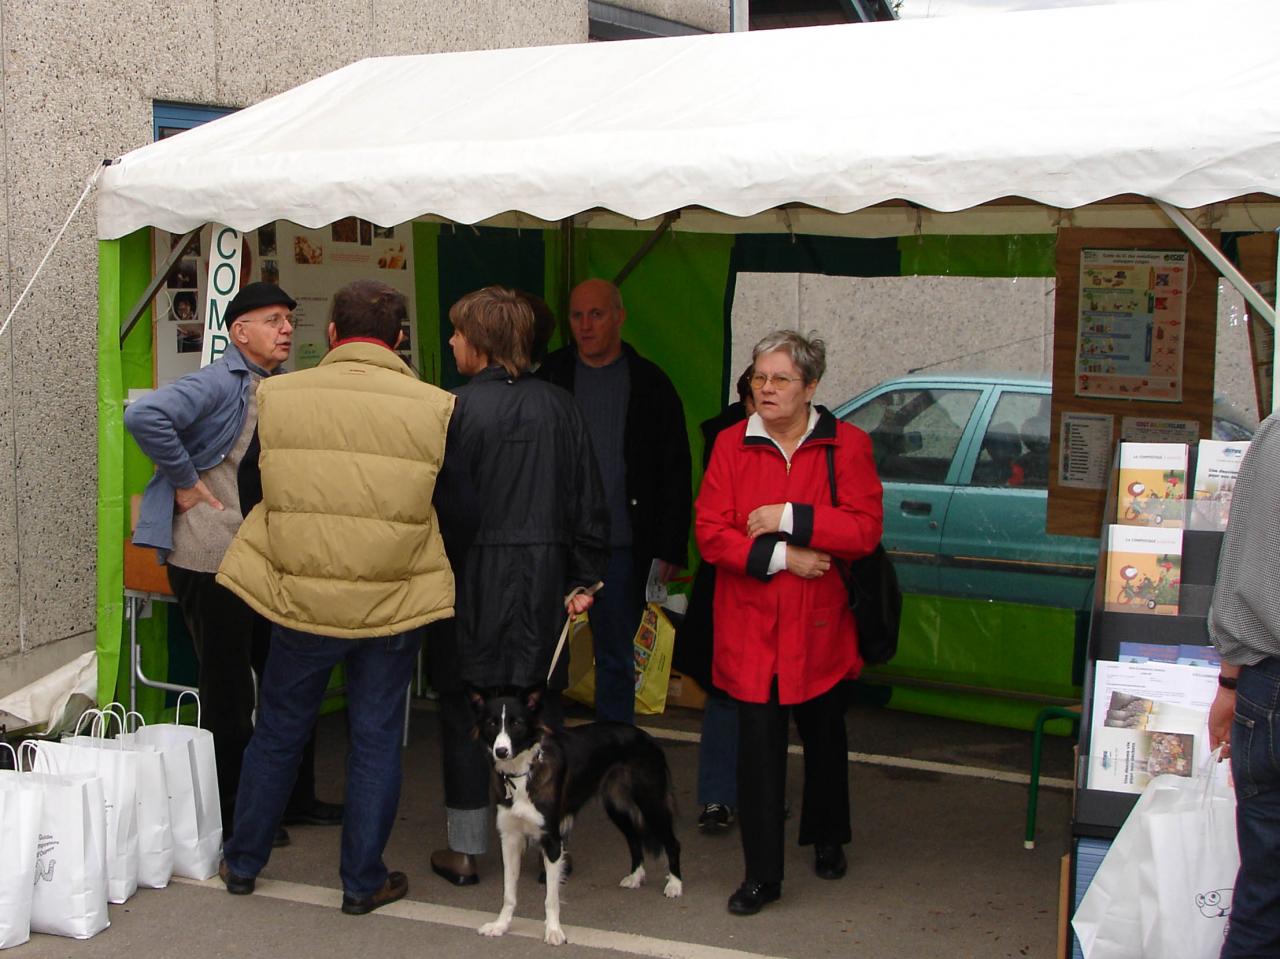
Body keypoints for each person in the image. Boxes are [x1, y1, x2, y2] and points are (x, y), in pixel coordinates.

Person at [214, 279, 456, 915]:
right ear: (400, 339)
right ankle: (361, 881)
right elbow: (445, 500)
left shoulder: (281, 393)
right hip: (390, 597)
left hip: (303, 592)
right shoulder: (433, 404)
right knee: (375, 738)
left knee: (278, 731)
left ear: (330, 334)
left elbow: (251, 483)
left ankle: (242, 863)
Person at [124, 281, 341, 842]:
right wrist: (186, 481)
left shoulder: (281, 385)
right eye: (273, 320)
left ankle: (293, 799)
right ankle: (240, 814)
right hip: (211, 556)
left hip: (268, 555)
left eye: (289, 319)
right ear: (239, 332)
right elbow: (145, 417)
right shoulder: (220, 381)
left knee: (286, 678)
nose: (287, 328)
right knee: (229, 690)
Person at [695, 330, 883, 916]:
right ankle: (762, 876)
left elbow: (863, 531)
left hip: (820, 627)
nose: (766, 387)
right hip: (750, 627)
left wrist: (789, 517)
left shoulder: (847, 445)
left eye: (780, 378)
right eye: (759, 377)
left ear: (811, 387)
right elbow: (710, 533)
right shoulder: (730, 443)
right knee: (758, 756)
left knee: (825, 739)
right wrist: (783, 555)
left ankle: (828, 837)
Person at [428, 285, 610, 887]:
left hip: (466, 580)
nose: (451, 341)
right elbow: (589, 500)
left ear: (479, 343)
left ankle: (465, 850)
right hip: (544, 582)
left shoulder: (450, 410)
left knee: (465, 713)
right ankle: (547, 845)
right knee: (541, 712)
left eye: (457, 332)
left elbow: (435, 509)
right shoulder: (562, 407)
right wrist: (584, 577)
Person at [536, 278, 692, 724]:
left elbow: (675, 472)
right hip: (557, 544)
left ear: (619, 317)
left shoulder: (651, 385)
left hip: (622, 548)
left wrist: (670, 548)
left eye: (596, 314)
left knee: (617, 661)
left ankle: (613, 756)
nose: (585, 326)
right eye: (577, 316)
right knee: (547, 658)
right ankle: (546, 757)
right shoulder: (550, 376)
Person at [1207, 411, 1280, 958]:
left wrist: (1229, 683)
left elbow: (1236, 568)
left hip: (1265, 684)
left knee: (1261, 897)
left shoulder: (1276, 432)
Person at [675, 365, 754, 832]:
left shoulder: (811, 438)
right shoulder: (725, 436)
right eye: (753, 391)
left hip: (778, 581)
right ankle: (718, 796)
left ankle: (759, 789)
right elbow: (714, 521)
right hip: (728, 580)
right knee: (725, 694)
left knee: (768, 699)